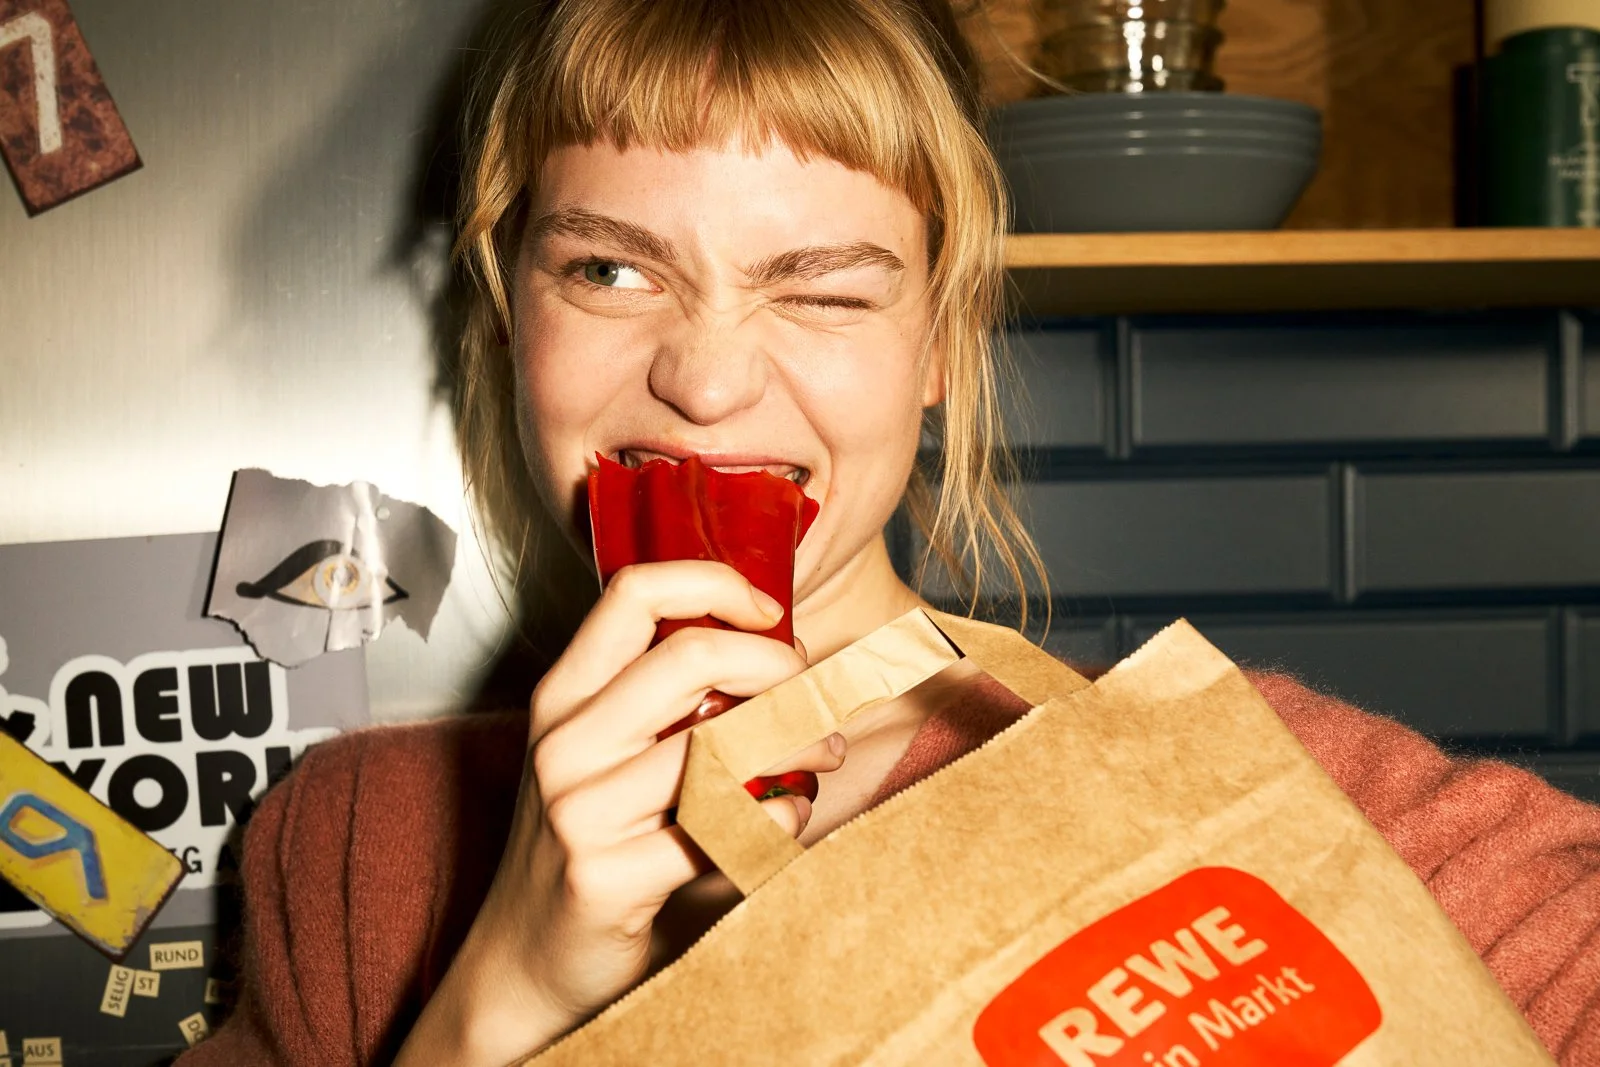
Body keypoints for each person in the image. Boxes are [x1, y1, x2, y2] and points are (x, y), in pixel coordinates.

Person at [177, 0, 1600, 1063]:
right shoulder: (357, 848)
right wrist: (501, 1000)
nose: (707, 383)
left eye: (823, 289)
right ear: (511, 312)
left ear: (940, 345)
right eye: (609, 268)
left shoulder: (1265, 797)